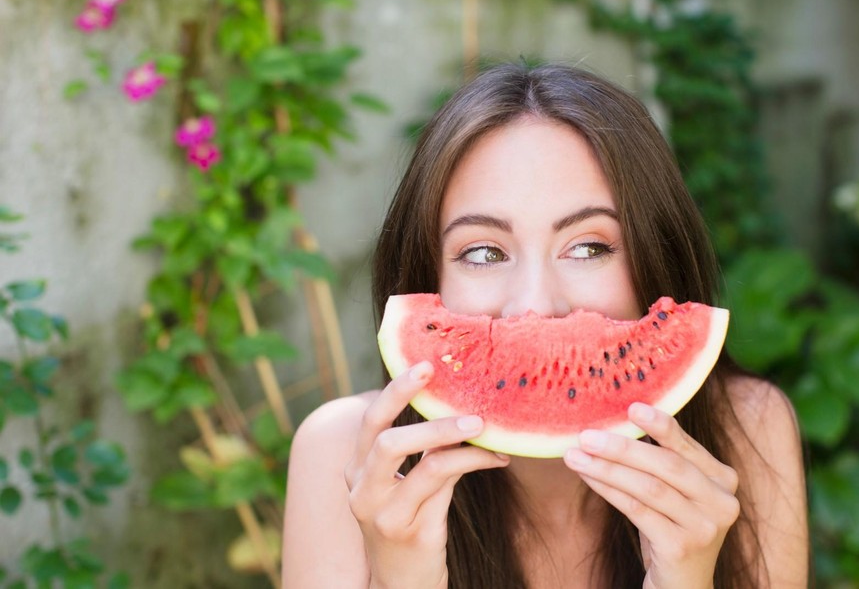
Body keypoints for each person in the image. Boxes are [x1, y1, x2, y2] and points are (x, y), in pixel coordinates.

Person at [281, 63, 808, 588]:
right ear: (425, 276)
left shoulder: (748, 430)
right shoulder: (339, 458)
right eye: (484, 252)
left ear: (657, 255)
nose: (534, 306)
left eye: (589, 247)